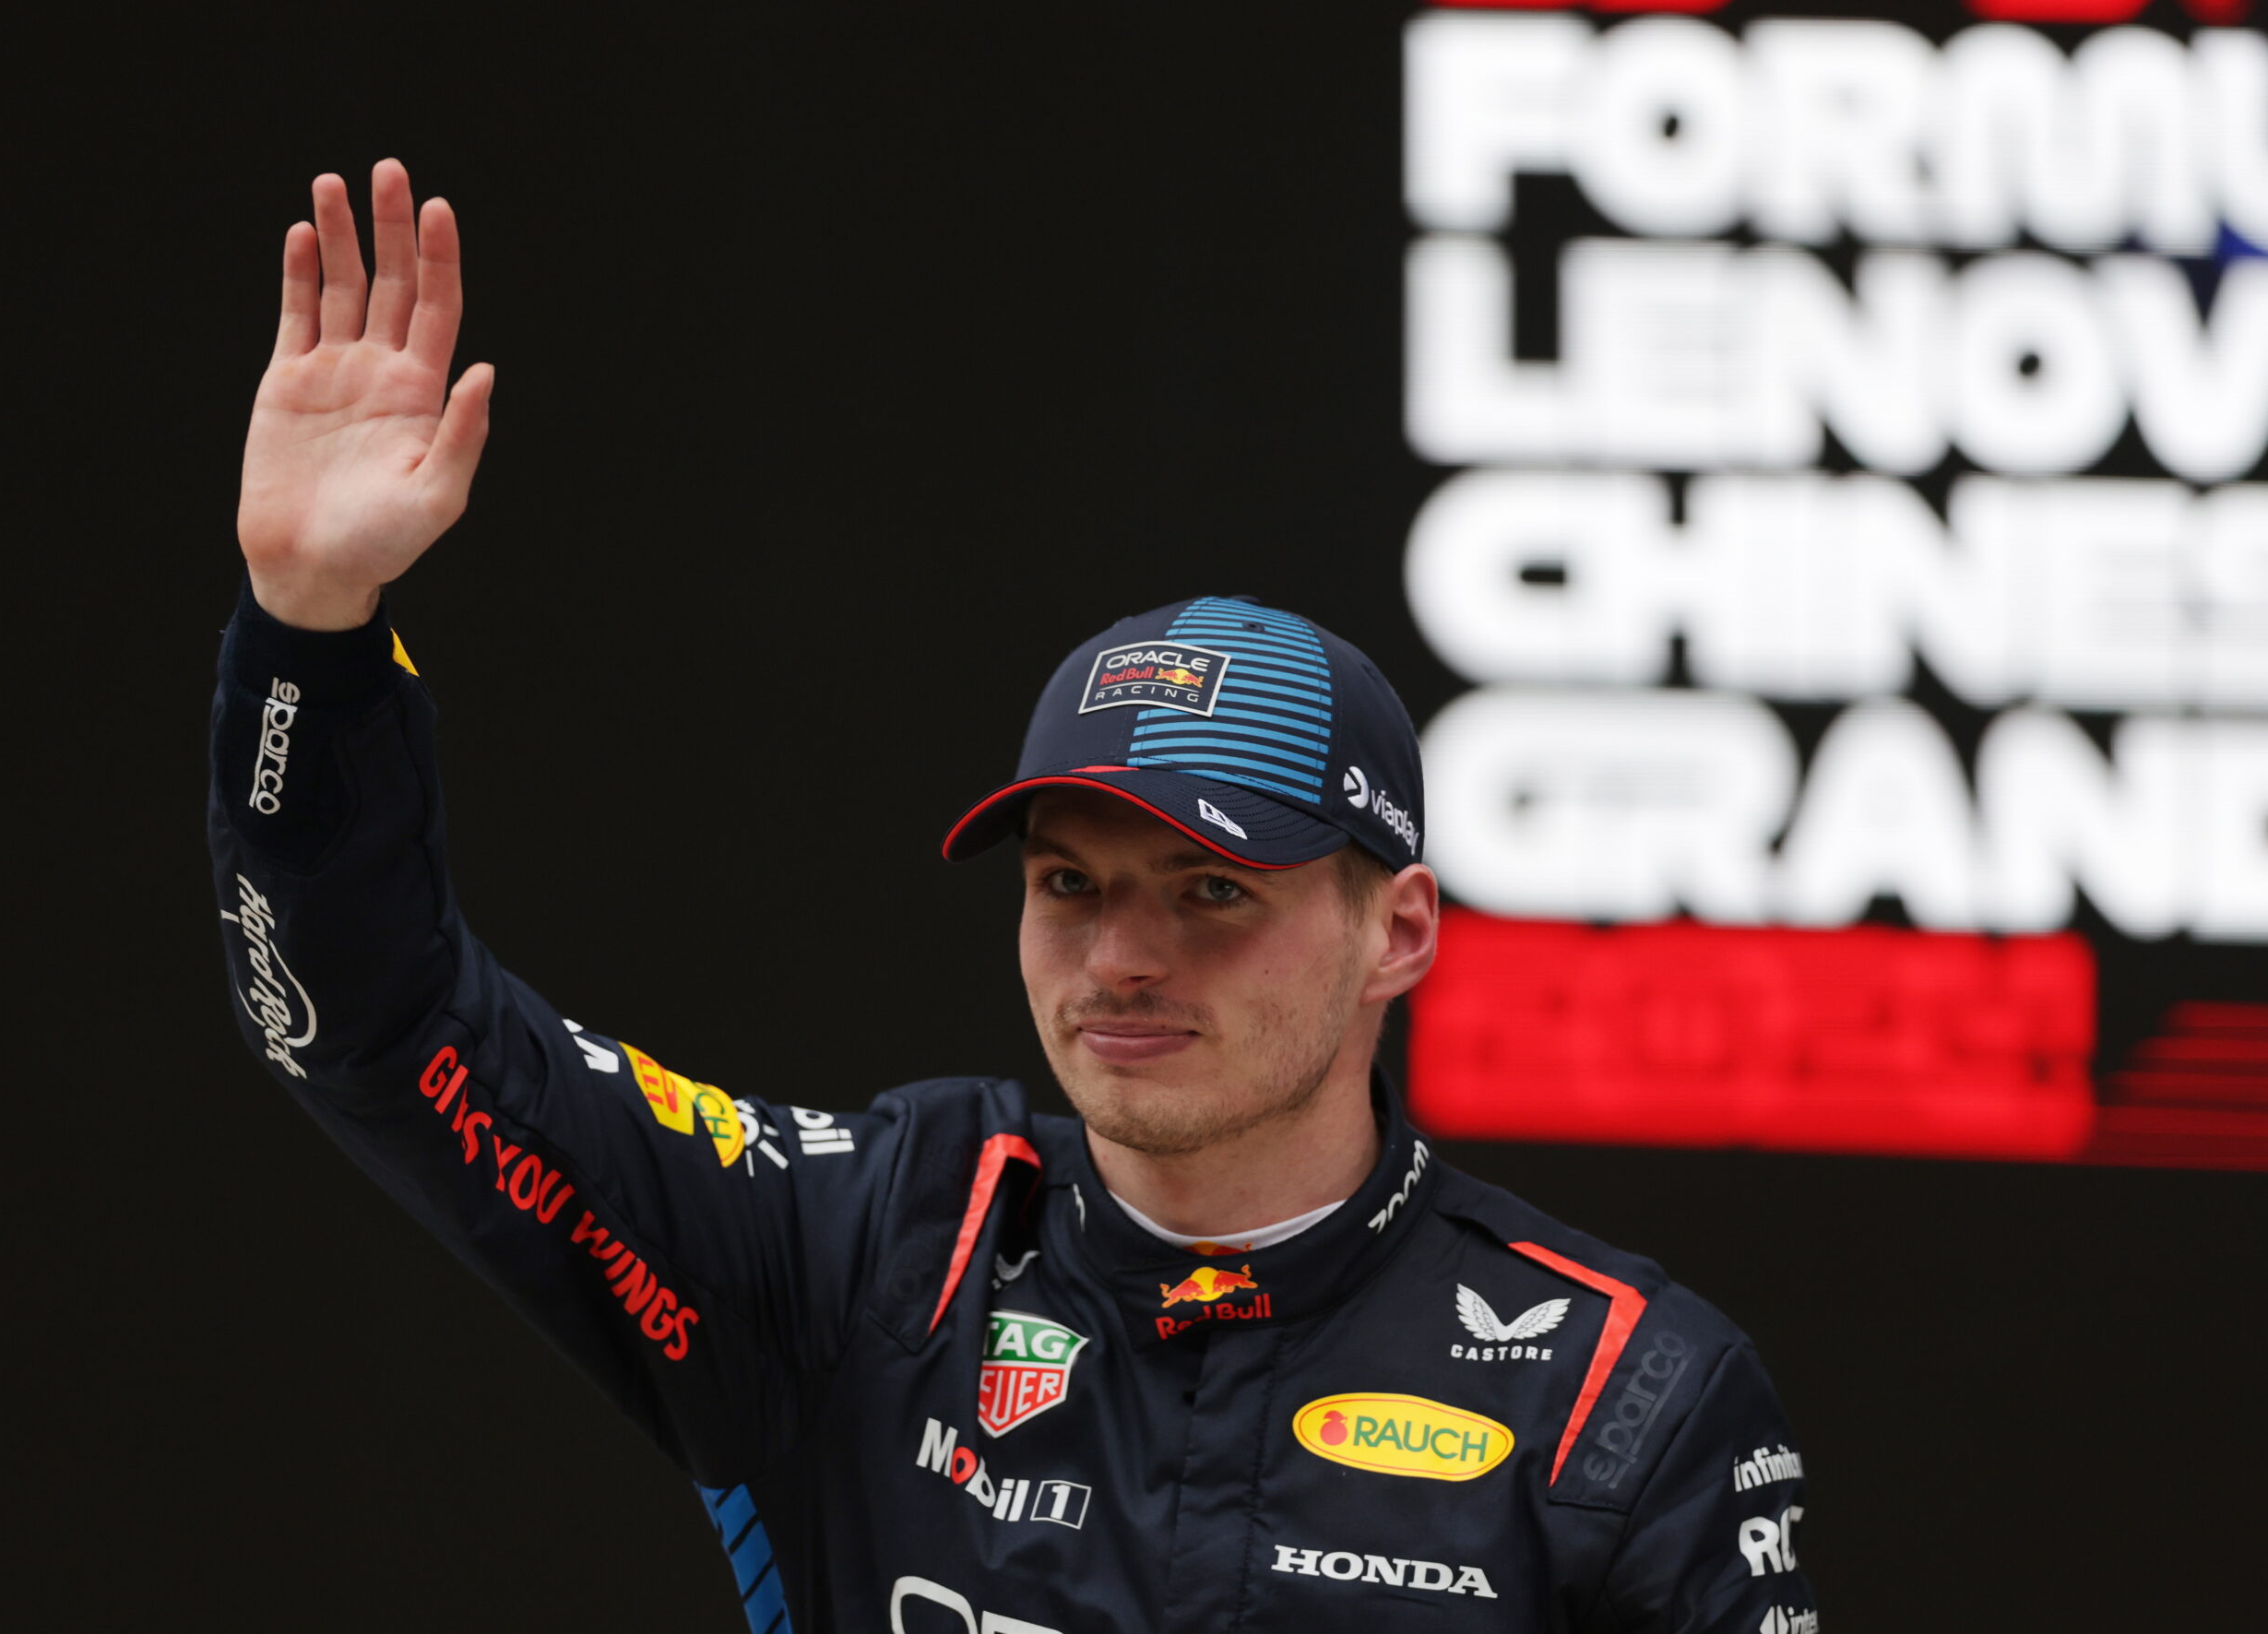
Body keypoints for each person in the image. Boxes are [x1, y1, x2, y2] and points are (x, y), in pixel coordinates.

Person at [214, 160, 1816, 1634]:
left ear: (1398, 930)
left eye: (1210, 889)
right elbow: (375, 1028)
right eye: (1069, 885)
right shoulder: (862, 1253)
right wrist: (312, 622)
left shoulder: (1623, 1394)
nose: (1121, 957)